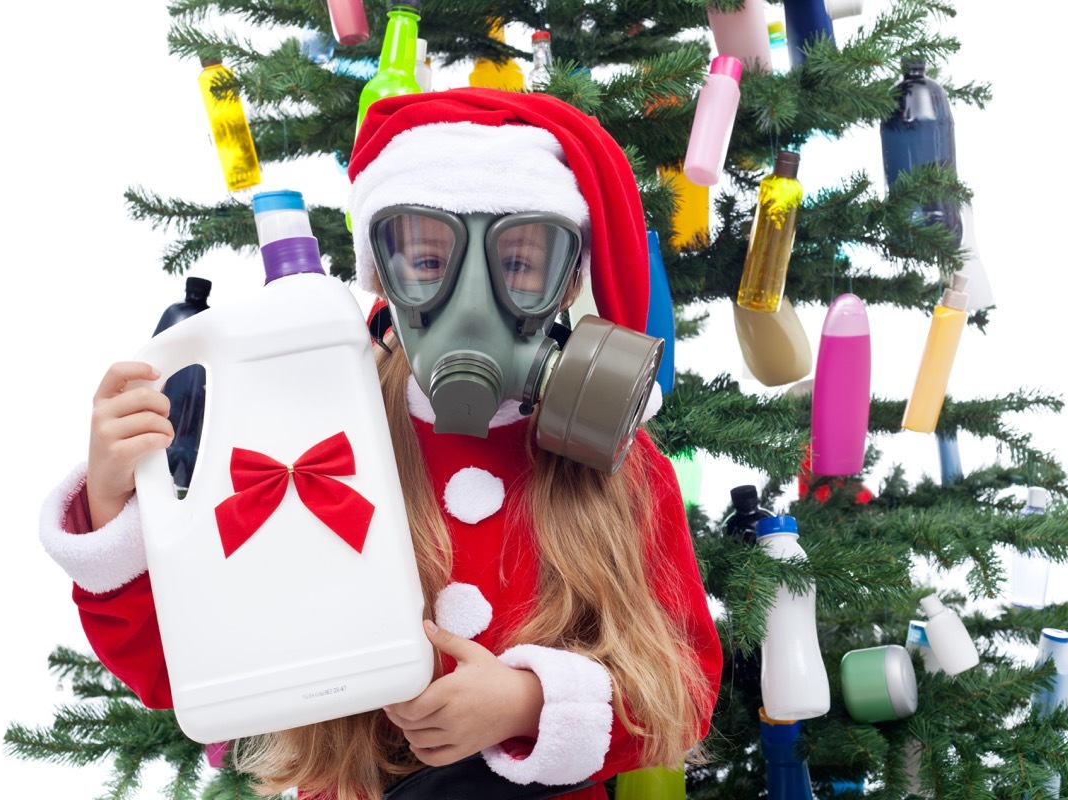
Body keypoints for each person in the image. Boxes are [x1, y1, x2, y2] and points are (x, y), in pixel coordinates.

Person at [40, 87, 723, 800]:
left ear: (569, 280)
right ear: (379, 274)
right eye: (428, 263)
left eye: (518, 267)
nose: (469, 304)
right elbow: (174, 665)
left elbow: (684, 688)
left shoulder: (622, 470)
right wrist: (113, 504)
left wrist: (528, 705)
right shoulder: (313, 437)